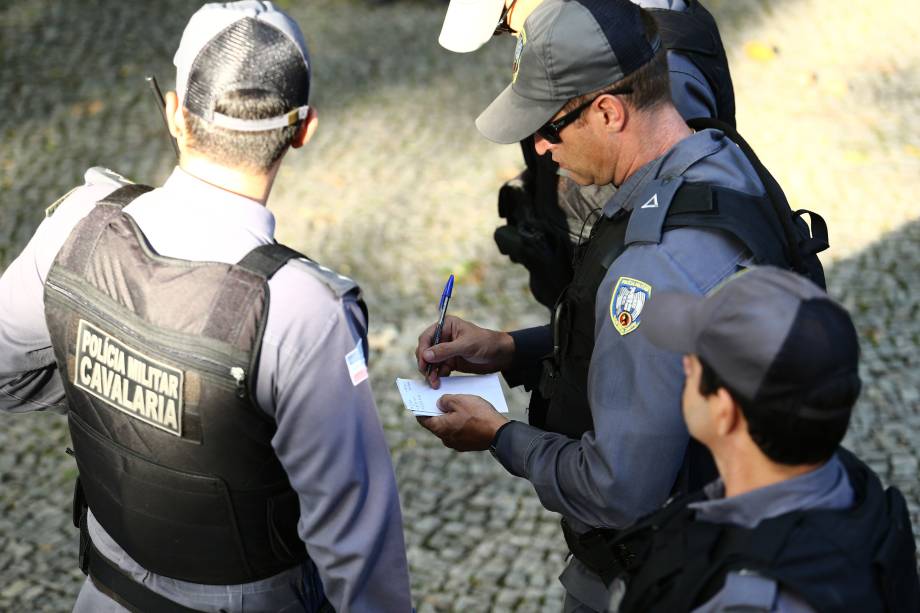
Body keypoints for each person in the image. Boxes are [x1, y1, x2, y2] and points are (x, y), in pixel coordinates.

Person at [0, 2, 411, 611]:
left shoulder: (78, 229)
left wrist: (110, 389)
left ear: (175, 114)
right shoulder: (302, 310)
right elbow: (355, 545)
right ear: (304, 130)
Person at [415, 1, 825, 610]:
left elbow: (617, 488)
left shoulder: (652, 266)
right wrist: (508, 348)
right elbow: (657, 352)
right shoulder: (720, 160)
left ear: (607, 111)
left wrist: (500, 434)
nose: (543, 148)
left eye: (550, 127)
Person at [611, 266, 920, 612]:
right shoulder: (855, 488)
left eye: (695, 363)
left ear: (725, 411)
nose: (684, 364)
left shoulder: (750, 602)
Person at [439, 0, 737, 309]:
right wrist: (515, 349)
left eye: (503, 21)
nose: (517, 35)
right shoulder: (590, 42)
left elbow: (652, 321)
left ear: (609, 112)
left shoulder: (648, 67)